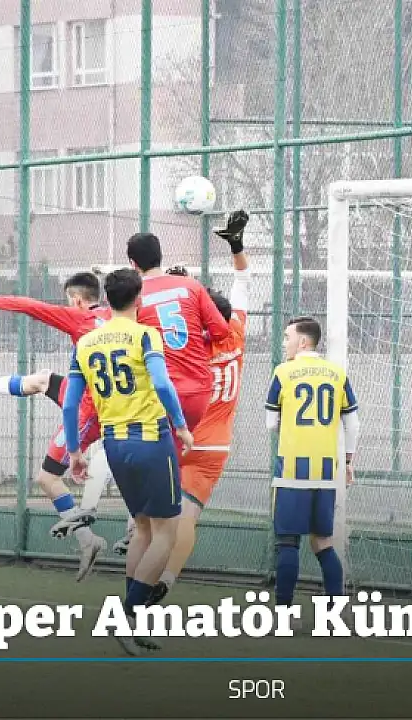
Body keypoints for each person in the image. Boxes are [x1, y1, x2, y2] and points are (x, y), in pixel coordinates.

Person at [64, 268, 193, 655]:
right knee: (166, 533)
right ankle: (127, 616)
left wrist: (75, 451)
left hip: (114, 445)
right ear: (139, 299)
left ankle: (132, 624)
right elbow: (162, 383)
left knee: (142, 529)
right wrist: (181, 426)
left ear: (106, 298)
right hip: (151, 439)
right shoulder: (145, 335)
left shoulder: (86, 342)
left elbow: (70, 404)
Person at [0, 271, 110, 580]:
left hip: (89, 411)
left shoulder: (79, 318)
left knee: (47, 478)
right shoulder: (117, 316)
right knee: (43, 379)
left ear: (76, 300)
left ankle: (87, 540)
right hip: (90, 393)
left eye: (68, 300)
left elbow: (31, 306)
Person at [151, 210, 251, 602]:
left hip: (182, 434)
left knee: (155, 509)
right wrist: (236, 246)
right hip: (216, 446)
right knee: (188, 516)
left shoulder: (191, 347)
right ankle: (170, 576)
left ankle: (138, 544)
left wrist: (179, 282)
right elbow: (242, 283)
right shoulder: (237, 334)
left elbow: (172, 320)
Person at [265, 316, 359, 620]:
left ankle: (282, 617)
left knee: (287, 543)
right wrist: (348, 461)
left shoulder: (283, 372)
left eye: (287, 336)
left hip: (292, 472)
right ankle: (335, 616)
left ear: (303, 342)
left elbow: (271, 423)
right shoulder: (337, 373)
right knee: (323, 544)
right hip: (326, 473)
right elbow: (353, 423)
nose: (284, 342)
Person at [126, 231, 231, 444]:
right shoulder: (191, 286)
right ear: (160, 256)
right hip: (198, 392)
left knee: (153, 454)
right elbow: (221, 330)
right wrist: (197, 337)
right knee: (175, 451)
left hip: (159, 392)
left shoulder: (134, 296)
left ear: (133, 263)